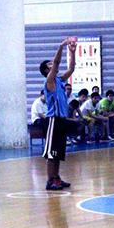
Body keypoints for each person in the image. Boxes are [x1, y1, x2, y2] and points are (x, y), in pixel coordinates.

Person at [39, 38, 77, 190]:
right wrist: (61, 46)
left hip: (62, 120)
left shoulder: (60, 81)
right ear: (46, 71)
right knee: (51, 153)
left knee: (58, 152)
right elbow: (56, 63)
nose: (53, 65)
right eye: (49, 65)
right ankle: (50, 181)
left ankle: (57, 178)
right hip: (53, 120)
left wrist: (72, 52)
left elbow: (72, 68)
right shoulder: (49, 81)